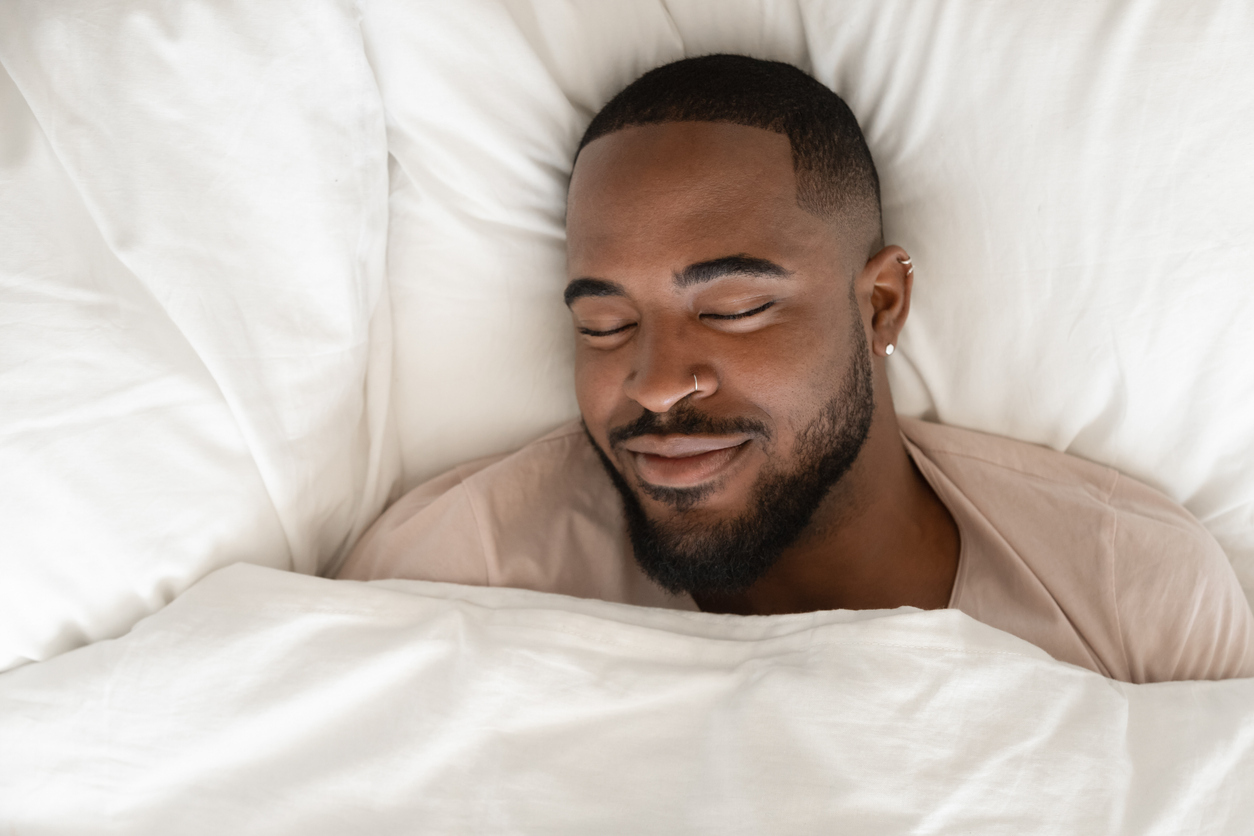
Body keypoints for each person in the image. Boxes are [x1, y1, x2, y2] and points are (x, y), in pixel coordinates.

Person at [339, 54, 1254, 683]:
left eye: (733, 310)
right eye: (606, 324)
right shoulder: (448, 582)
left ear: (880, 306)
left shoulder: (1132, 590)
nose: (656, 385)